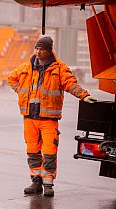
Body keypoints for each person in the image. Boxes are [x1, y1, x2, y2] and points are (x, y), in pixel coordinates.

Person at [7, 36, 97, 197]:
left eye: (42, 49)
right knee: (32, 151)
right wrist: (22, 92)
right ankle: (36, 182)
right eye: (37, 48)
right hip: (29, 118)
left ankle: (48, 184)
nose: (38, 51)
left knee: (49, 152)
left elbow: (70, 83)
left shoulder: (59, 68)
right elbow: (11, 79)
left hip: (49, 119)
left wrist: (84, 95)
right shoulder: (25, 67)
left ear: (49, 51)